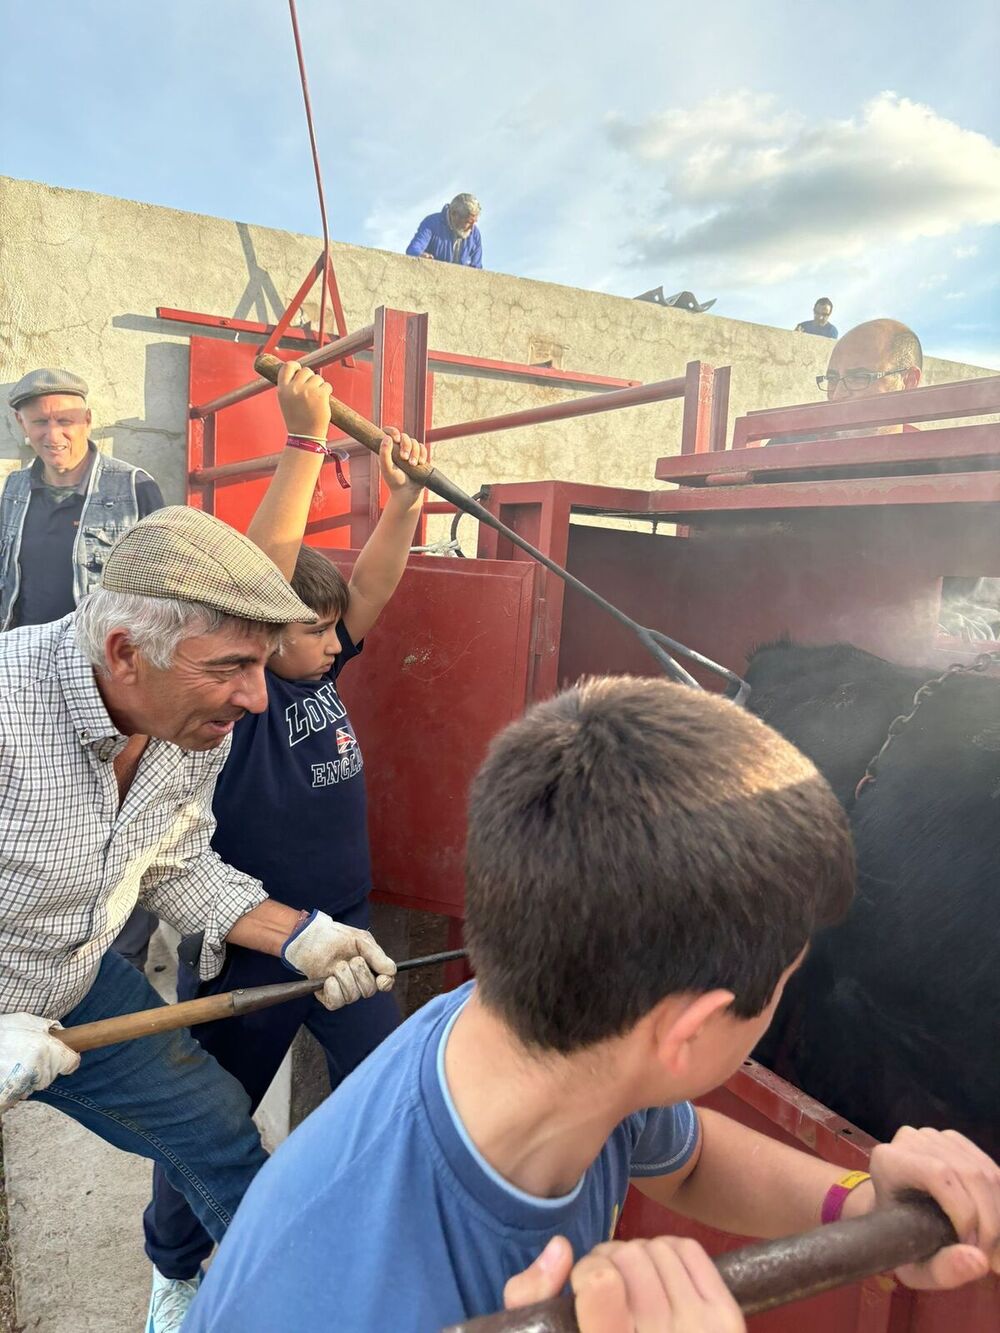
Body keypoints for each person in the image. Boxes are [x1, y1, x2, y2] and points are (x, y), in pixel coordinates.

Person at [186, 676, 1000, 1332]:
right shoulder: (333, 1298)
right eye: (786, 977)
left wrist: (854, 1202)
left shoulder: (530, 1033)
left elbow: (687, 1157)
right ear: (683, 1035)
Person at [0, 506, 400, 1321]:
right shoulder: (9, 714)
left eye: (261, 664)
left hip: (76, 978)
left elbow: (175, 862)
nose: (257, 697)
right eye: (232, 666)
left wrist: (301, 935)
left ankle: (280, 1303)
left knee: (219, 1132)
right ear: (124, 653)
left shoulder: (196, 724)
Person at [142, 363, 429, 1329]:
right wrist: (305, 441)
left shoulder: (319, 666)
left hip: (342, 932)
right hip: (253, 936)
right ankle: (175, 1268)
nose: (329, 641)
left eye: (325, 628)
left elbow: (374, 588)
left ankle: (355, 1241)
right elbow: (258, 577)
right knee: (207, 1119)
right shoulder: (249, 694)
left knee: (386, 1083)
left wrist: (406, 497)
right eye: (305, 629)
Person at [2, 368, 168, 968]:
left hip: (103, 686)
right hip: (27, 687)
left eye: (65, 419)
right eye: (40, 421)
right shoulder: (15, 491)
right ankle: (40, 956)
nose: (54, 433)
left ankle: (117, 963)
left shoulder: (133, 487)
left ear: (87, 421)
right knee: (38, 823)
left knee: (119, 818)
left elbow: (160, 588)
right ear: (22, 425)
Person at [406, 192, 483, 267]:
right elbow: (413, 250)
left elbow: (477, 268)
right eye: (468, 222)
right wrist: (421, 256)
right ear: (454, 214)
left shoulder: (475, 234)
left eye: (475, 222)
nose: (472, 228)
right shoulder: (431, 223)